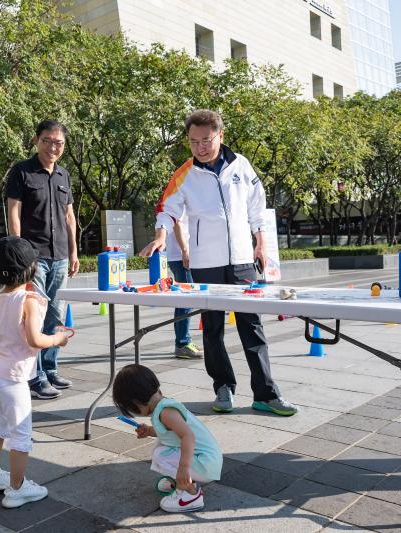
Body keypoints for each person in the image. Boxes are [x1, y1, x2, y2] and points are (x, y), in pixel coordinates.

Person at [139, 109, 297, 417]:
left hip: (241, 262)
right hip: (205, 264)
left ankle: (266, 393)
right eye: (193, 141)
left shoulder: (241, 164)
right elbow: (167, 209)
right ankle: (223, 387)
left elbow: (256, 206)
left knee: (252, 326)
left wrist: (260, 244)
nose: (200, 147)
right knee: (212, 329)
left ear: (220, 136)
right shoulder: (185, 172)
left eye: (206, 140)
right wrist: (160, 236)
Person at [0, 236, 70, 508]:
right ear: (31, 269)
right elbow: (35, 340)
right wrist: (58, 339)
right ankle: (17, 488)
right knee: (21, 434)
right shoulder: (29, 300)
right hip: (14, 379)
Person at [7, 119, 79, 399]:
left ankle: (49, 368)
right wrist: (20, 251)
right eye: (47, 140)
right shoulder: (22, 171)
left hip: (60, 254)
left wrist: (74, 251)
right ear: (37, 140)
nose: (53, 146)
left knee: (55, 315)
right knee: (32, 317)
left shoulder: (64, 175)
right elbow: (14, 211)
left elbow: (70, 216)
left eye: (58, 142)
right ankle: (33, 376)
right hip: (33, 256)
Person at [112, 364, 222, 513]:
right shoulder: (163, 406)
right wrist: (150, 431)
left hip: (205, 464)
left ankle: (190, 494)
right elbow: (170, 433)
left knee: (159, 455)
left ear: (136, 402)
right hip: (205, 460)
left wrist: (183, 469)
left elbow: (188, 436)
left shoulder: (166, 412)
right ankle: (178, 480)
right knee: (160, 445)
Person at [165, 215, 202, 359]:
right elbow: (177, 225)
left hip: (179, 256)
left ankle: (183, 341)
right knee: (186, 301)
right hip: (181, 257)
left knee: (184, 301)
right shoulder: (177, 194)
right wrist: (185, 251)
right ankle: (182, 344)